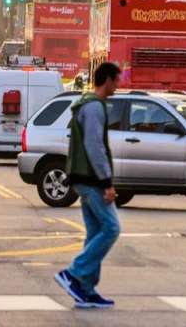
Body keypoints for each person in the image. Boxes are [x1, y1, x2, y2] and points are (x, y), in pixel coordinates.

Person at [54, 62, 122, 309]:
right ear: (107, 80)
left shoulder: (88, 103)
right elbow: (95, 146)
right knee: (112, 228)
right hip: (90, 177)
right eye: (117, 80)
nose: (119, 85)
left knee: (95, 232)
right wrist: (107, 182)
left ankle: (86, 289)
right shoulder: (94, 107)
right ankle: (73, 273)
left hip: (82, 176)